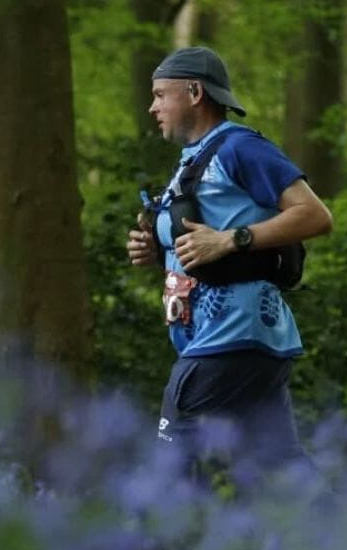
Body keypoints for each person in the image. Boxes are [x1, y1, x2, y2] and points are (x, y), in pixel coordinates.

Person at [126, 46, 333, 476]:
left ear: (195, 92)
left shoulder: (240, 147)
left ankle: (163, 524)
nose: (152, 107)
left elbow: (315, 215)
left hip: (232, 333)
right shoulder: (193, 159)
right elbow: (204, 243)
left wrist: (232, 239)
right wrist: (158, 252)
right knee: (278, 471)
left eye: (161, 95)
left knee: (171, 455)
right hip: (240, 338)